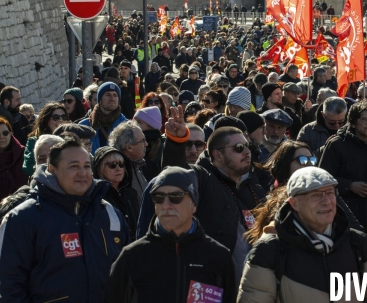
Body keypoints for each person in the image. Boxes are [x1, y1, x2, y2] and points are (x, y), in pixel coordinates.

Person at [0, 135, 129, 303]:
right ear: (51, 169)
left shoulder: (109, 213)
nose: (82, 173)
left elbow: (128, 275)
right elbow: (7, 288)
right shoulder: (22, 218)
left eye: (87, 166)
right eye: (73, 166)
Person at [137, 119, 267, 285]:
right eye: (239, 148)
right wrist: (176, 143)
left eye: (247, 146)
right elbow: (176, 176)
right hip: (209, 283)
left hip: (251, 288)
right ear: (217, 155)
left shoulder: (254, 187)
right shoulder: (204, 179)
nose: (247, 152)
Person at [237, 167, 367, 302]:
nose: (326, 201)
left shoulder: (358, 244)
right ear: (294, 203)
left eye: (330, 193)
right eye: (316, 195)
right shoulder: (269, 250)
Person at [106, 167, 236, 303]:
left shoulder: (219, 257)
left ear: (194, 204)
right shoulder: (132, 256)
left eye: (176, 197)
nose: (166, 205)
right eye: (159, 197)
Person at [319, 101, 367, 245]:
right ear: (353, 123)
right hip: (344, 216)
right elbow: (323, 179)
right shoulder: (337, 145)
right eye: (364, 120)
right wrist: (349, 185)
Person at [93, 146, 140, 238]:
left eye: (121, 164)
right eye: (112, 165)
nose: (118, 168)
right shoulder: (98, 196)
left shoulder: (131, 193)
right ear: (100, 169)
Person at [0, 117, 28, 218]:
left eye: (5, 133)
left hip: (23, 213)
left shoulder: (23, 154)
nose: (2, 137)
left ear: (11, 134)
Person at [79, 82, 128, 154]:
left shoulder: (126, 126)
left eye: (115, 95)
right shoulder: (83, 126)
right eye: (108, 95)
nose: (112, 98)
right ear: (100, 99)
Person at [22, 102, 70, 176]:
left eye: (64, 117)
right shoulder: (34, 141)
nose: (61, 120)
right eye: (56, 117)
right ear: (46, 119)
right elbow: (28, 167)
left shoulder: (71, 140)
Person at [108, 121, 149, 204]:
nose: (146, 144)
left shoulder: (137, 165)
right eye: (143, 140)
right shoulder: (117, 173)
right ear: (129, 147)